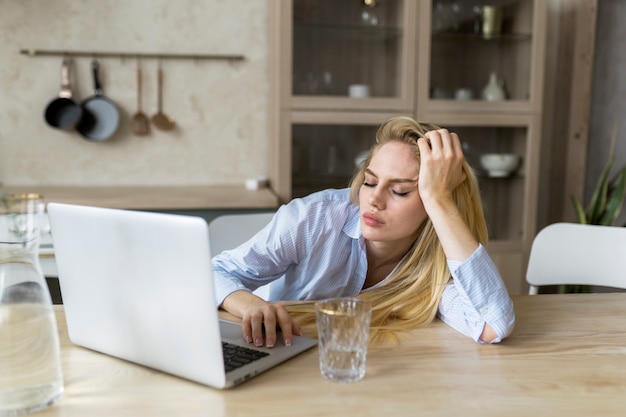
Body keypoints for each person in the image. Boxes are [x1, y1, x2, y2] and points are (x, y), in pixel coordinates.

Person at [212, 116, 515, 347]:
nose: (374, 200)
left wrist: (439, 200)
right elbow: (215, 271)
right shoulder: (313, 218)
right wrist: (251, 304)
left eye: (399, 191)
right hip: (286, 354)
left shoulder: (435, 267)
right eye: (370, 182)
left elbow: (492, 325)